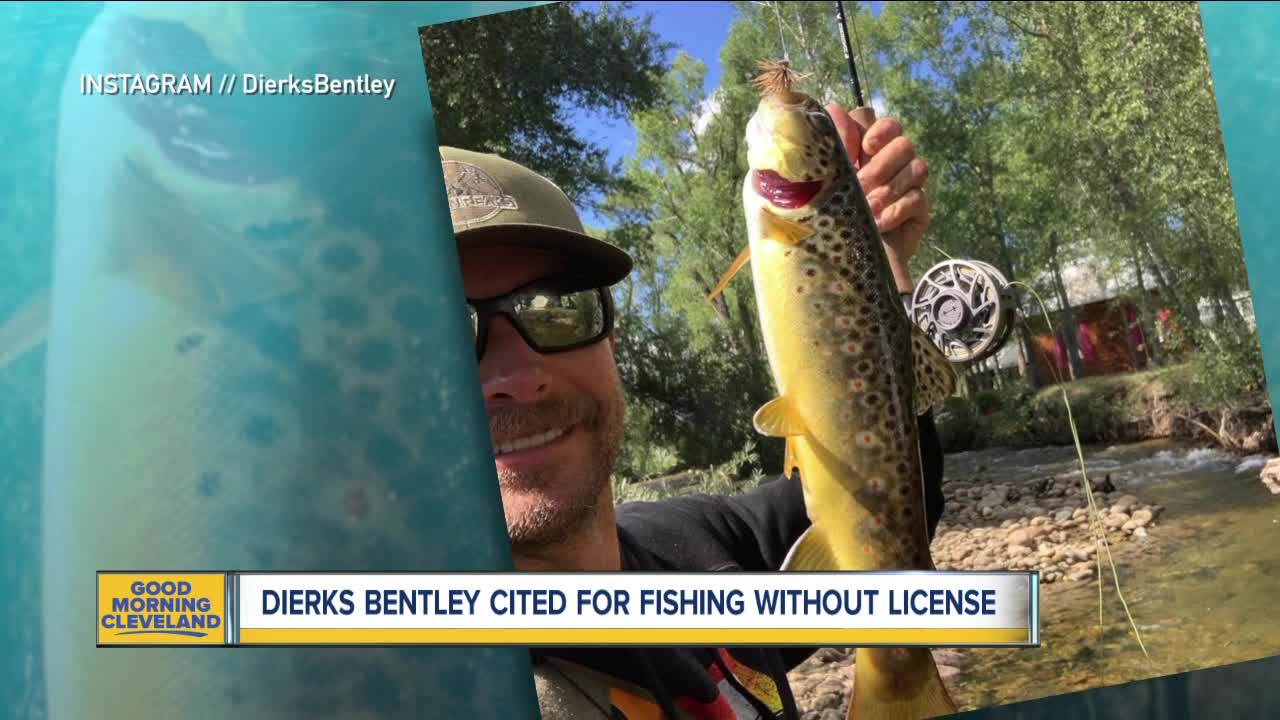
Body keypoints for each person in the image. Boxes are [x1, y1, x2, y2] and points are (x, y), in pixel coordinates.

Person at [441, 104, 941, 720]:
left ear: (611, 338)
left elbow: (889, 502)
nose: (515, 378)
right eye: (439, 334)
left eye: (555, 310)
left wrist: (872, 268)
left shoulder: (701, 550)